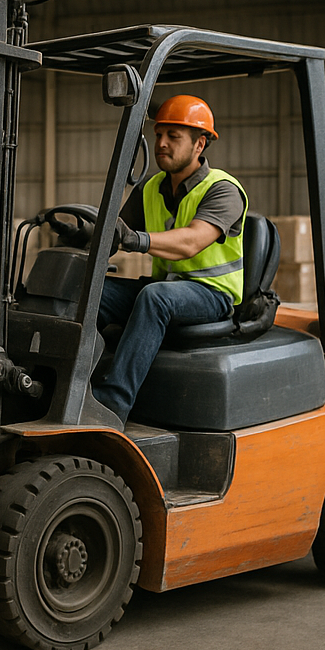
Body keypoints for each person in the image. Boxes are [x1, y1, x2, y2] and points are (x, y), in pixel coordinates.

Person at [92, 94, 247, 428]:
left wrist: (138, 240)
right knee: (91, 291)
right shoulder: (151, 188)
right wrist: (82, 234)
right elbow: (116, 235)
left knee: (155, 297)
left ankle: (111, 405)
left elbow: (191, 242)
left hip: (211, 295)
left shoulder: (222, 190)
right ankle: (72, 386)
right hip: (166, 288)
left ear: (199, 144)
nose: (161, 143)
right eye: (159, 135)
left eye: (173, 137)